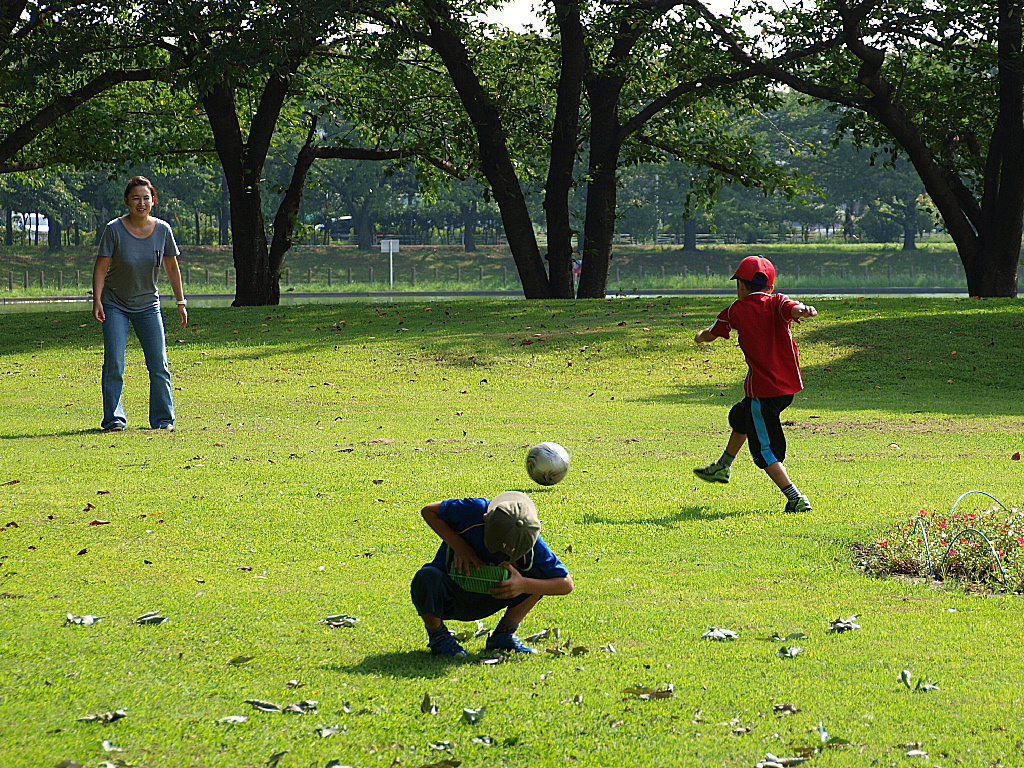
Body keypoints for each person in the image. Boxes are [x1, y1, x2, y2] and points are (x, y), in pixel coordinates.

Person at [692, 255, 818, 513]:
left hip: (763, 392)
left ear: (740, 285)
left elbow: (711, 333)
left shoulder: (734, 311)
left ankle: (795, 497)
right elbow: (793, 308)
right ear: (770, 286)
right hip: (788, 389)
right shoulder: (778, 302)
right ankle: (723, 465)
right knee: (741, 417)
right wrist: (803, 310)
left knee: (765, 450)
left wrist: (700, 338)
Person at [411, 491, 574, 657]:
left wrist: (523, 584)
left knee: (541, 575)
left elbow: (566, 584)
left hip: (495, 595)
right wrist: (461, 547)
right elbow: (429, 511)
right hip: (451, 595)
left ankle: (504, 635)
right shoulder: (472, 510)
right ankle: (439, 637)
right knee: (427, 577)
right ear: (485, 519)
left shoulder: (529, 539)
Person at [92, 176, 188, 432]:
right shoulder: (114, 229)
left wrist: (181, 301)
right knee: (115, 362)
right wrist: (97, 301)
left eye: (146, 198)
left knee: (159, 364)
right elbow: (101, 267)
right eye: (136, 198)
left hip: (148, 305)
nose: (141, 203)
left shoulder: (163, 230)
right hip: (115, 305)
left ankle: (163, 420)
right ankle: (114, 419)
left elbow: (171, 266)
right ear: (127, 201)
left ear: (153, 201)